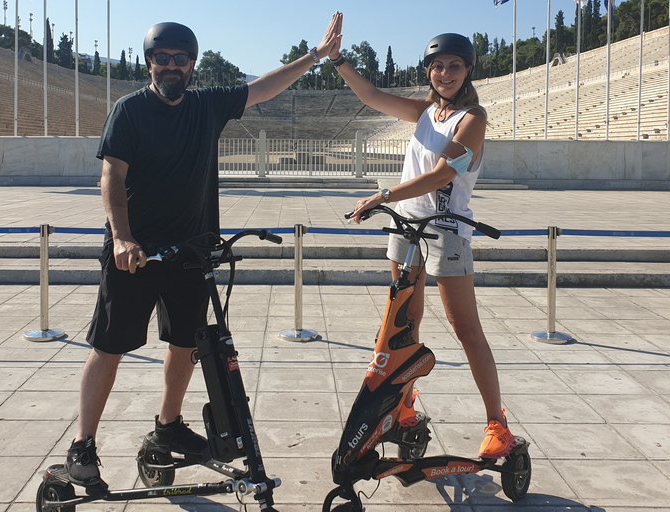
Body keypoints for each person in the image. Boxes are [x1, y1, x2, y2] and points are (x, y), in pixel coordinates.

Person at [64, 15, 342, 487]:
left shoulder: (207, 106)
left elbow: (263, 87)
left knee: (185, 345)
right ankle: (82, 444)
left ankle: (167, 427)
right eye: (161, 58)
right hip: (135, 255)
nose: (171, 66)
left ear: (192, 64)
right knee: (109, 346)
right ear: (149, 62)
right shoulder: (129, 111)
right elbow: (112, 176)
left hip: (190, 254)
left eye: (180, 59)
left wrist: (315, 57)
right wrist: (122, 236)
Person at [332, 14, 514, 459]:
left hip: (447, 229)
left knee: (464, 327)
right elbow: (371, 95)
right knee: (404, 324)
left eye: (454, 66)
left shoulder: (473, 117)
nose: (445, 73)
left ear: (468, 70)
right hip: (407, 226)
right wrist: (338, 60)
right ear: (427, 70)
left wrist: (382, 194)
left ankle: (497, 423)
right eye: (437, 66)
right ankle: (405, 406)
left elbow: (440, 176)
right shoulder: (425, 111)